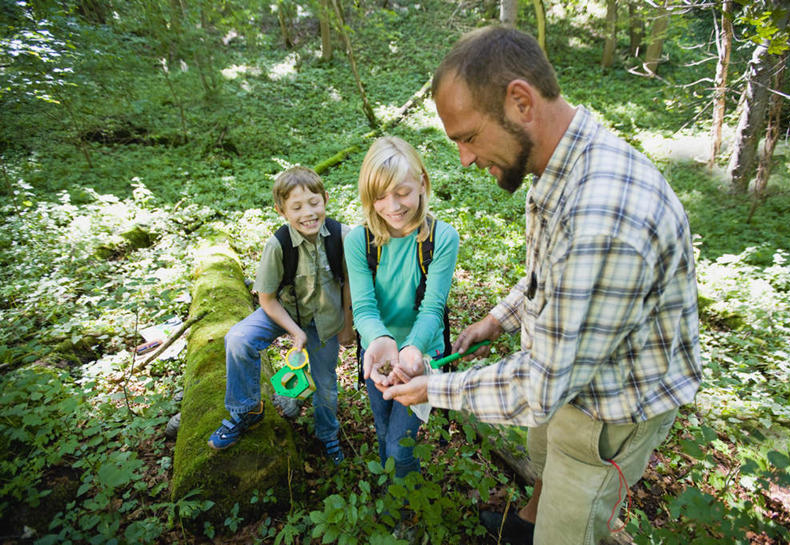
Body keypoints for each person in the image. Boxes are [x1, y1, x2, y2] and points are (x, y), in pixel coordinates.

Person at [379, 26, 702, 545]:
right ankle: (527, 523)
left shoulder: (603, 218)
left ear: (521, 102)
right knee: (544, 459)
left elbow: (540, 387)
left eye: (466, 137)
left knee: (567, 526)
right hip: (570, 382)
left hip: (611, 411)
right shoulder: (562, 166)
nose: (464, 159)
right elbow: (549, 276)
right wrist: (496, 320)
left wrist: (433, 389)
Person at [208, 166, 354, 465]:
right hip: (284, 311)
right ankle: (246, 410)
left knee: (325, 385)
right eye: (296, 207)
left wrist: (348, 326)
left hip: (325, 321)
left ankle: (327, 434)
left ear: (325, 198)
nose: (308, 213)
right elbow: (266, 298)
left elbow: (351, 283)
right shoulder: (279, 245)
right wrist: (294, 331)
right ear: (281, 211)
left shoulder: (343, 236)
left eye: (314, 202)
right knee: (238, 339)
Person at [344, 136, 459, 479]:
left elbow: (432, 308)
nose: (392, 206)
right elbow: (363, 308)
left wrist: (411, 349)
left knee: (399, 444)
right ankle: (389, 493)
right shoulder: (358, 241)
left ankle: (404, 510)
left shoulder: (442, 238)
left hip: (421, 355)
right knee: (382, 429)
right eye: (379, 196)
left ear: (422, 183)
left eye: (402, 192)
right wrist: (379, 340)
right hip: (377, 354)